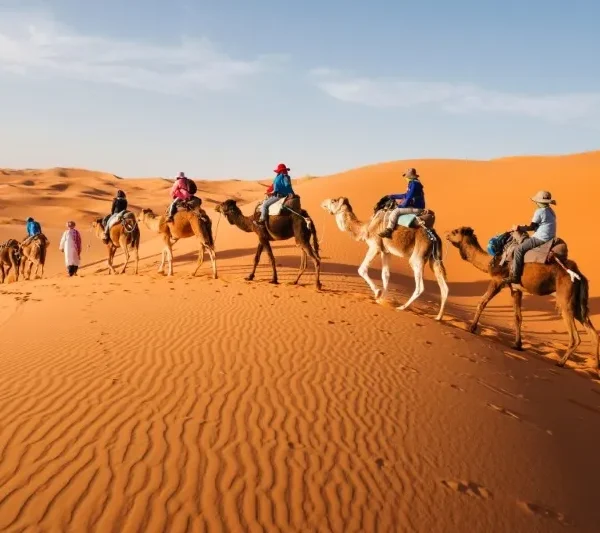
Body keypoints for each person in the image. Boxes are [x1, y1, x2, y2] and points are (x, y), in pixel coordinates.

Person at [505, 190, 557, 285]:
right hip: (550, 236)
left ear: (539, 202)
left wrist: (518, 227)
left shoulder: (539, 211)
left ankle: (515, 277)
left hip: (541, 238)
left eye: (537, 201)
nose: (536, 203)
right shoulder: (550, 210)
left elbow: (532, 227)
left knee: (518, 250)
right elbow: (542, 224)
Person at [378, 168, 426, 238]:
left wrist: (401, 206)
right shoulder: (414, 183)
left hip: (416, 208)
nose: (405, 178)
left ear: (409, 177)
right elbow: (405, 195)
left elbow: (409, 197)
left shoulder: (414, 184)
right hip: (415, 206)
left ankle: (389, 230)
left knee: (395, 211)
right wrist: (393, 196)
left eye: (406, 177)